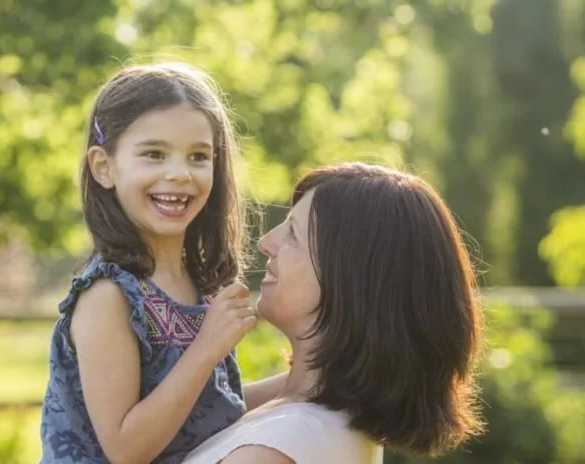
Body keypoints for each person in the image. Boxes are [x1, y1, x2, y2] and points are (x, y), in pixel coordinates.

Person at [39, 62, 284, 464]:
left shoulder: (201, 287)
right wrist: (207, 347)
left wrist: (308, 383)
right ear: (104, 167)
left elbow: (216, 410)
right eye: (154, 154)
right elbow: (126, 447)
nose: (178, 173)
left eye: (198, 156)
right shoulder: (108, 295)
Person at [184, 162, 485, 464]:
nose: (266, 243)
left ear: (350, 278)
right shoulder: (309, 408)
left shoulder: (283, 445)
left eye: (293, 234)